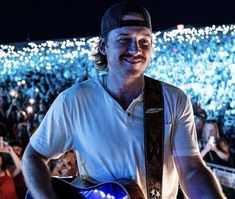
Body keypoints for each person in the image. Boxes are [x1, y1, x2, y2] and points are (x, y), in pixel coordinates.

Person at [22, 1, 226, 199]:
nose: (135, 49)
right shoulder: (73, 101)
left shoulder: (173, 99)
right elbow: (33, 156)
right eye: (124, 39)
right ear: (103, 46)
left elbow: (191, 170)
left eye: (144, 41)